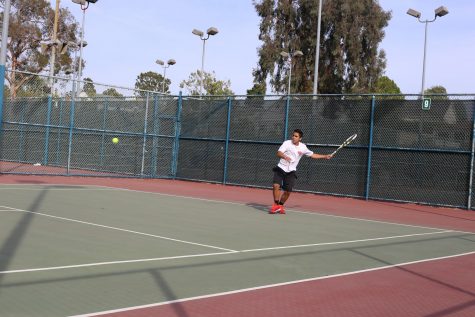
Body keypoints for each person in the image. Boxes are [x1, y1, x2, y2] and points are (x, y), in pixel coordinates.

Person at [270, 129, 333, 214]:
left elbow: (312, 155)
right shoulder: (287, 143)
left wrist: (325, 156)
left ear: (300, 138)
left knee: (288, 191)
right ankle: (275, 205)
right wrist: (284, 156)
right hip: (281, 168)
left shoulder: (303, 147)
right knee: (276, 185)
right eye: (293, 135)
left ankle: (280, 206)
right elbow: (279, 153)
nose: (293, 137)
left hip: (291, 171)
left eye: (296, 136)